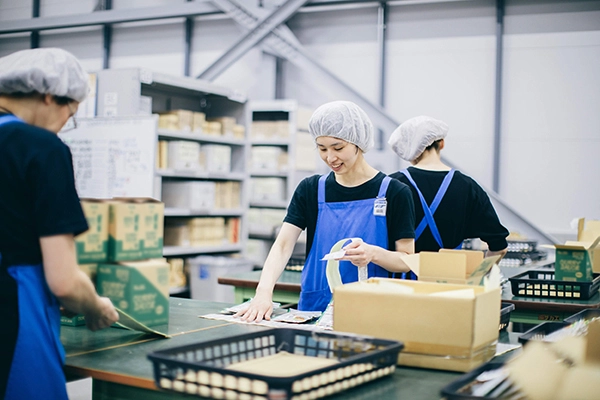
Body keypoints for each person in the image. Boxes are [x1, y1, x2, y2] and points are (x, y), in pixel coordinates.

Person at [0, 48, 119, 400]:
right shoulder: (39, 147)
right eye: (73, 111)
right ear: (50, 95)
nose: (68, 122)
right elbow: (64, 281)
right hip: (15, 312)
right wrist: (95, 306)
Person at [237, 101, 416, 321]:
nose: (330, 158)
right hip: (316, 309)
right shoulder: (311, 189)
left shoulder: (395, 192)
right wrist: (263, 292)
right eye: (322, 148)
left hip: (374, 312)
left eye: (338, 148)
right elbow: (283, 245)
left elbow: (407, 259)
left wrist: (373, 254)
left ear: (358, 142)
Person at [388, 115, 509, 279]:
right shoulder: (468, 186)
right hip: (450, 287)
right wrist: (475, 277)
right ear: (442, 143)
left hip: (399, 287)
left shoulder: (392, 184)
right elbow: (499, 246)